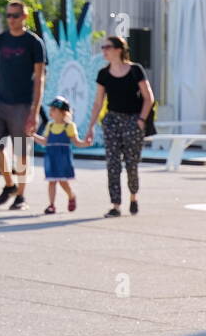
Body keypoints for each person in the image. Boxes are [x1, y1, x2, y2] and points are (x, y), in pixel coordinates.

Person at [0, 0, 46, 210]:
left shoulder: (34, 42)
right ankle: (9, 184)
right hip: (0, 102)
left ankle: (21, 195)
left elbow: (40, 78)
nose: (11, 19)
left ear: (24, 17)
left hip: (23, 104)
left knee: (20, 152)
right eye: (8, 15)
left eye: (15, 15)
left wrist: (35, 110)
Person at [85, 35, 153, 218]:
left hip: (132, 120)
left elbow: (148, 97)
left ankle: (133, 196)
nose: (104, 51)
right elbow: (98, 103)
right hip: (112, 120)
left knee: (132, 163)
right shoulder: (104, 74)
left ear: (119, 49)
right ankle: (115, 204)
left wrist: (141, 120)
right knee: (113, 164)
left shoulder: (135, 70)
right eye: (103, 48)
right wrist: (91, 126)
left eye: (107, 47)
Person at [33, 96, 87, 214]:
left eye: (53, 109)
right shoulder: (50, 125)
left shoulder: (69, 126)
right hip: (51, 157)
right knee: (52, 181)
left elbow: (76, 142)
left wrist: (86, 143)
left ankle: (71, 195)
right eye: (51, 109)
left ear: (63, 112)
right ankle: (51, 205)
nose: (50, 112)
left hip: (63, 158)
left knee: (63, 181)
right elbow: (44, 142)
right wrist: (32, 135)